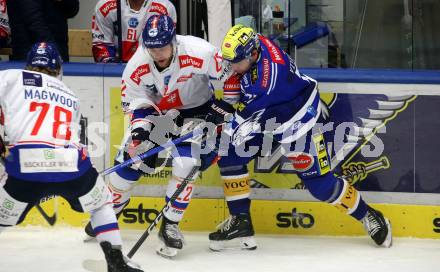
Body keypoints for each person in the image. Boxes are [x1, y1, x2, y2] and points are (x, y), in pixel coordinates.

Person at [207, 24, 393, 251]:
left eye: (235, 62)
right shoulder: (255, 46)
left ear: (252, 54)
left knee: (321, 186)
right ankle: (241, 221)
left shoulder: (266, 80)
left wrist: (217, 134)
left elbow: (241, 118)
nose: (231, 66)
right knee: (230, 156)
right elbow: (238, 101)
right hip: (269, 115)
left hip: (299, 123)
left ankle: (368, 215)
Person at [84, 14, 238, 258]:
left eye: (163, 46)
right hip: (156, 113)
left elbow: (232, 74)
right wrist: (139, 136)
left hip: (196, 111)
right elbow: (137, 106)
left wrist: (225, 108)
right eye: (152, 48)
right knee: (130, 161)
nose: (158, 53)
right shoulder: (136, 66)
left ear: (173, 40)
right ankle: (112, 209)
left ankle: (170, 225)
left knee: (187, 164)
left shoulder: (200, 51)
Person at [0, 42, 143, 272]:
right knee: (102, 204)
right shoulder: (69, 94)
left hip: (26, 161)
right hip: (71, 162)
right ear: (58, 69)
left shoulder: (11, 76)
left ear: (28, 66)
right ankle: (116, 262)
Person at [92, 0, 177, 63]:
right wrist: (112, 67)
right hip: (116, 69)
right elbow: (101, 45)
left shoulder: (165, 7)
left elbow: (167, 49)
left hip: (150, 69)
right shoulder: (105, 6)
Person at [5, 0, 79, 62]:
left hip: (59, 46)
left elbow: (72, 11)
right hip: (30, 52)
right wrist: (54, 51)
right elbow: (33, 20)